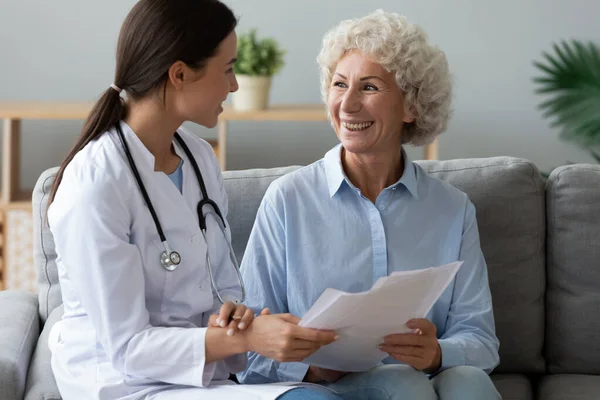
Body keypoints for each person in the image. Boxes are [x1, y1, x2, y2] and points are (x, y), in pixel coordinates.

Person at [46, 1, 340, 399]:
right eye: (229, 69)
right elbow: (129, 350)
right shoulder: (96, 182)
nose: (234, 86)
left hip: (199, 379)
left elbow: (221, 293)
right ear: (180, 74)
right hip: (124, 384)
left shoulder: (199, 159)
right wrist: (246, 339)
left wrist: (238, 321)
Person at [237, 9, 501, 400]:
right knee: (404, 384)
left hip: (420, 382)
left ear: (411, 106)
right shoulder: (287, 199)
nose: (347, 104)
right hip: (322, 388)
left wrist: (436, 353)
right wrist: (310, 364)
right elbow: (247, 347)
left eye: (370, 87)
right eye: (339, 84)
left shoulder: (452, 209)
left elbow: (481, 340)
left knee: (470, 382)